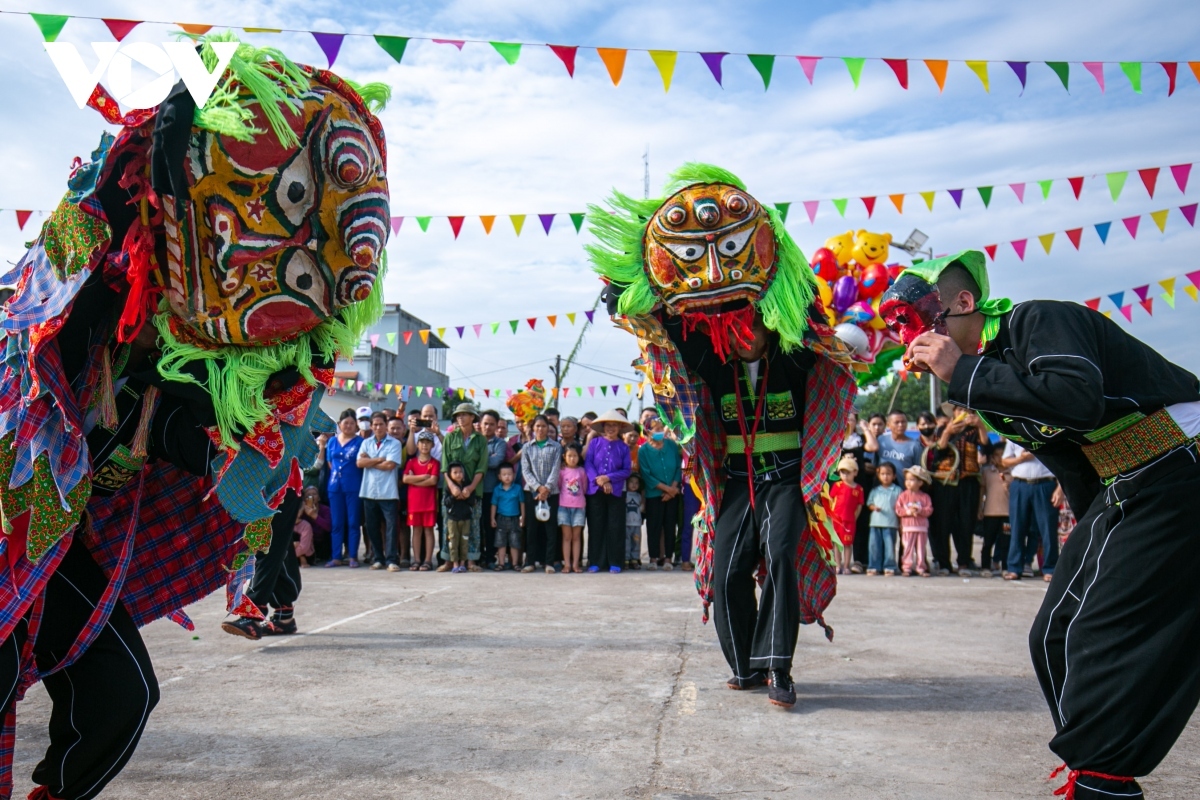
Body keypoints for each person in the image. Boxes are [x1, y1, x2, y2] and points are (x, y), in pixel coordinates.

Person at [0, 33, 391, 796]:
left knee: (121, 698)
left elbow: (174, 428)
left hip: (52, 539)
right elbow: (52, 286)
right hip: (12, 507)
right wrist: (136, 169)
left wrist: (231, 461)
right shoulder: (86, 284)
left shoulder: (181, 362)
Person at [887, 248, 1200, 798]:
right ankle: (1097, 769)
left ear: (965, 303)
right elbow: (1074, 460)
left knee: (1093, 634)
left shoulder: (1036, 319)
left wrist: (962, 371)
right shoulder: (984, 384)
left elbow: (1074, 400)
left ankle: (1103, 780)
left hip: (1179, 464)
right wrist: (1093, 533)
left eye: (923, 321)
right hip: (1127, 483)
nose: (912, 340)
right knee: (1053, 633)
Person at [588, 164, 854, 708]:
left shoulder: (793, 358)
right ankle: (746, 666)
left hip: (785, 480)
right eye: (736, 329)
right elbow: (662, 327)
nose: (746, 335)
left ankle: (779, 668)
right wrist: (624, 291)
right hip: (733, 479)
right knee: (728, 569)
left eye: (754, 324)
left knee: (780, 557)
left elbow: (804, 310)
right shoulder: (713, 362)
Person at [1000, 440, 1059, 582]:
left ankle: (1050, 568)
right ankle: (1014, 567)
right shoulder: (1015, 436)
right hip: (1021, 483)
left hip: (1045, 483)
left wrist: (1060, 488)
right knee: (1017, 528)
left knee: (1047, 529)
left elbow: (1060, 463)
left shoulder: (1047, 435)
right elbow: (1004, 461)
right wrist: (1021, 458)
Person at [440, 403, 488, 572]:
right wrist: (452, 486)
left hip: (474, 490)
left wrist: (470, 488)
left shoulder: (480, 440)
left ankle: (471, 560)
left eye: (464, 415)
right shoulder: (450, 437)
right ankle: (448, 560)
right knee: (449, 526)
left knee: (473, 525)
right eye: (458, 415)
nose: (460, 418)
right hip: (451, 492)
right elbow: (444, 466)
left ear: (472, 417)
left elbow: (481, 467)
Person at [584, 410, 633, 574]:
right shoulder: (595, 443)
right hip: (595, 490)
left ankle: (615, 561)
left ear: (619, 427)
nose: (611, 428)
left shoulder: (624, 447)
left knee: (615, 527)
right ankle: (596, 561)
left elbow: (626, 470)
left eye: (614, 425)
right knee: (596, 526)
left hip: (616, 491)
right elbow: (588, 464)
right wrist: (599, 480)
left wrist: (608, 478)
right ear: (603, 427)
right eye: (608, 425)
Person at [358, 411, 403, 571]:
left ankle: (391, 559)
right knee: (371, 526)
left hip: (388, 492)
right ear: (371, 426)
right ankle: (378, 558)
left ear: (386, 425)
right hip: (369, 491)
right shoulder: (366, 443)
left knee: (391, 527)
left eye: (381, 424)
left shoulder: (395, 443)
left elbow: (390, 465)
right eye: (375, 424)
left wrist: (369, 460)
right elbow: (359, 463)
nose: (378, 427)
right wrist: (379, 459)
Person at [639, 417, 683, 571]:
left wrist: (673, 488)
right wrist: (666, 489)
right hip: (654, 494)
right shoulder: (643, 450)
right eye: (655, 429)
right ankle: (653, 558)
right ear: (647, 431)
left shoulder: (671, 445)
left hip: (672, 493)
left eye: (660, 428)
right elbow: (646, 474)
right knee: (654, 526)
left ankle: (668, 559)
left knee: (670, 525)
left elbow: (678, 467)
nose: (659, 432)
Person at [520, 414, 563, 573]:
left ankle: (549, 562)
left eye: (544, 426)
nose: (540, 429)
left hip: (551, 493)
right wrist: (538, 487)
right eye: (537, 426)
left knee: (550, 529)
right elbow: (526, 470)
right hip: (531, 493)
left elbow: (556, 469)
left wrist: (546, 489)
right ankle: (530, 561)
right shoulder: (527, 447)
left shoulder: (556, 447)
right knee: (532, 528)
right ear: (533, 428)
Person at [327, 409, 365, 568]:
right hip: (335, 487)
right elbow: (330, 462)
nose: (348, 426)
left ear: (356, 425)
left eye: (351, 423)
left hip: (353, 486)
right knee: (336, 523)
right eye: (345, 423)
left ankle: (353, 556)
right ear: (340, 424)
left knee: (353, 522)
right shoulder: (332, 442)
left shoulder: (360, 442)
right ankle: (336, 556)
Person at [403, 430, 440, 571]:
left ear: (432, 445)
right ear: (417, 445)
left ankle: (428, 560)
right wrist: (423, 476)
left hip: (429, 503)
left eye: (428, 442)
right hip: (414, 503)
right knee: (416, 531)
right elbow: (405, 479)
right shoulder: (411, 462)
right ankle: (417, 559)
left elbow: (433, 481)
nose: (424, 445)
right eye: (422, 442)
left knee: (428, 531)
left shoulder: (435, 463)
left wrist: (414, 480)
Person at [479, 410, 508, 569]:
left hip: (492, 491)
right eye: (485, 423)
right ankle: (477, 556)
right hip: (474, 490)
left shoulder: (500, 443)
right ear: (480, 424)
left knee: (491, 526)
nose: (488, 427)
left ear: (497, 426)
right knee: (476, 526)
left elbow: (495, 462)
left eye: (491, 424)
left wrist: (478, 460)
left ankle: (490, 557)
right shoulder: (473, 441)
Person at [978, 443, 1010, 577]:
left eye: (1003, 455)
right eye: (997, 455)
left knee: (1006, 542)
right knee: (988, 541)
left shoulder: (1013, 472)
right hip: (990, 512)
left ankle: (1006, 567)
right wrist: (979, 508)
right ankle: (985, 566)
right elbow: (982, 490)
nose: (1000, 458)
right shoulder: (987, 471)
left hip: (1007, 513)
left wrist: (1007, 485)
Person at [895, 466, 933, 577]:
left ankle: (921, 567)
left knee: (921, 549)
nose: (908, 482)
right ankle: (906, 567)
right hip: (908, 527)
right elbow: (898, 509)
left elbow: (929, 510)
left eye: (912, 480)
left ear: (920, 482)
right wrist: (908, 511)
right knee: (907, 548)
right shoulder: (903, 496)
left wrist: (920, 510)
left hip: (921, 527)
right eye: (907, 479)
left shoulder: (925, 497)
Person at [829, 456, 864, 575]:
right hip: (837, 519)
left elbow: (859, 505)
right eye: (842, 472)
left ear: (855, 472)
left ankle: (847, 565)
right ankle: (838, 565)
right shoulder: (837, 486)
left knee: (848, 544)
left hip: (849, 520)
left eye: (848, 472)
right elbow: (831, 499)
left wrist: (855, 517)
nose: (845, 475)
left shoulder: (858, 489)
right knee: (836, 543)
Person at [865, 462, 902, 575]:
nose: (885, 476)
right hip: (876, 522)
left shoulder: (897, 490)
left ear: (894, 476)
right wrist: (874, 507)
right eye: (883, 474)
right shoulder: (875, 490)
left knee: (889, 547)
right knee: (874, 546)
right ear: (878, 475)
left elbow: (900, 506)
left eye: (888, 474)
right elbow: (869, 503)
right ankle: (874, 566)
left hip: (890, 523)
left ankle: (889, 566)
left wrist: (901, 523)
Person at [557, 445, 587, 573]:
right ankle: (567, 564)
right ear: (564, 457)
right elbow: (558, 486)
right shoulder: (561, 471)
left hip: (579, 507)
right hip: (564, 506)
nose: (572, 458)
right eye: (569, 456)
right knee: (566, 537)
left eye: (575, 456)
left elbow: (584, 488)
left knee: (576, 537)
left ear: (579, 456)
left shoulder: (582, 471)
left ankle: (575, 564)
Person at [386, 416, 412, 567]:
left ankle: (404, 556)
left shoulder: (409, 447)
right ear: (388, 430)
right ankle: (388, 554)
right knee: (386, 524)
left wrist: (402, 481)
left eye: (398, 428)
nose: (395, 431)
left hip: (404, 490)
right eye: (392, 428)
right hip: (386, 490)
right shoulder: (385, 445)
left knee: (403, 524)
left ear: (404, 429)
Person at [866, 410, 924, 476]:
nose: (901, 425)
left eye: (903, 422)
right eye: (897, 422)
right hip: (882, 485)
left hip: (904, 485)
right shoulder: (881, 440)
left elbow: (919, 472)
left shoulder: (915, 446)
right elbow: (875, 465)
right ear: (888, 425)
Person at [491, 463, 525, 571]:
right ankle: (501, 563)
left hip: (515, 519)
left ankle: (515, 563)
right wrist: (492, 518)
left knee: (515, 542)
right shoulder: (497, 489)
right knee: (501, 543)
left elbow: (522, 503)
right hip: (501, 518)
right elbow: (494, 504)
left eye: (509, 474)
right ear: (499, 476)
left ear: (514, 475)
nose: (507, 476)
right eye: (504, 474)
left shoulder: (518, 488)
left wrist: (523, 516)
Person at [443, 463, 473, 573]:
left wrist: (467, 495)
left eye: (460, 472)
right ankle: (454, 563)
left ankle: (462, 563)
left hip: (466, 518)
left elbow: (472, 502)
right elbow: (446, 503)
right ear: (450, 475)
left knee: (464, 540)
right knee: (453, 541)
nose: (458, 475)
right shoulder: (449, 488)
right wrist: (454, 496)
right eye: (455, 473)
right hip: (453, 518)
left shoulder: (467, 486)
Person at [294, 486, 329, 567]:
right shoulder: (301, 510)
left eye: (314, 494)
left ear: (319, 497)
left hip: (320, 542)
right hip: (304, 542)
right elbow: (293, 523)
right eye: (308, 495)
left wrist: (314, 516)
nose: (311, 497)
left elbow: (328, 527)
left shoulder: (325, 510)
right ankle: (300, 556)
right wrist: (302, 509)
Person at [624, 474, 645, 570]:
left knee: (636, 542)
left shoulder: (639, 496)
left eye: (636, 483)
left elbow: (642, 508)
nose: (634, 485)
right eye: (631, 482)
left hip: (636, 524)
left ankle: (635, 559)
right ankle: (626, 559)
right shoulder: (625, 495)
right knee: (627, 542)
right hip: (627, 523)